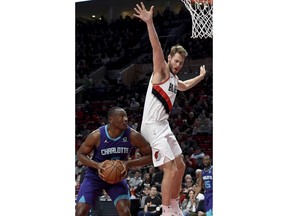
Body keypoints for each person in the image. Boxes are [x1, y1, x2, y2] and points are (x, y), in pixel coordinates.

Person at [133, 2, 206, 216]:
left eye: (181, 62)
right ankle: (166, 210)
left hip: (163, 125)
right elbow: (156, 47)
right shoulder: (162, 72)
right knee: (170, 168)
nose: (178, 65)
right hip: (151, 126)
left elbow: (183, 85)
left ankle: (174, 205)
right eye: (176, 61)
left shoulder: (174, 80)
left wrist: (200, 77)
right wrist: (149, 22)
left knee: (181, 165)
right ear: (169, 59)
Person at [75, 106, 153, 216]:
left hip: (117, 177)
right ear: (111, 119)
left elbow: (151, 156)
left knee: (125, 212)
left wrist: (128, 163)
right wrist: (97, 165)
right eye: (121, 116)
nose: (126, 119)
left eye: (126, 116)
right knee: (80, 212)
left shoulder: (133, 135)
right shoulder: (97, 135)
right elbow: (80, 154)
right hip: (94, 176)